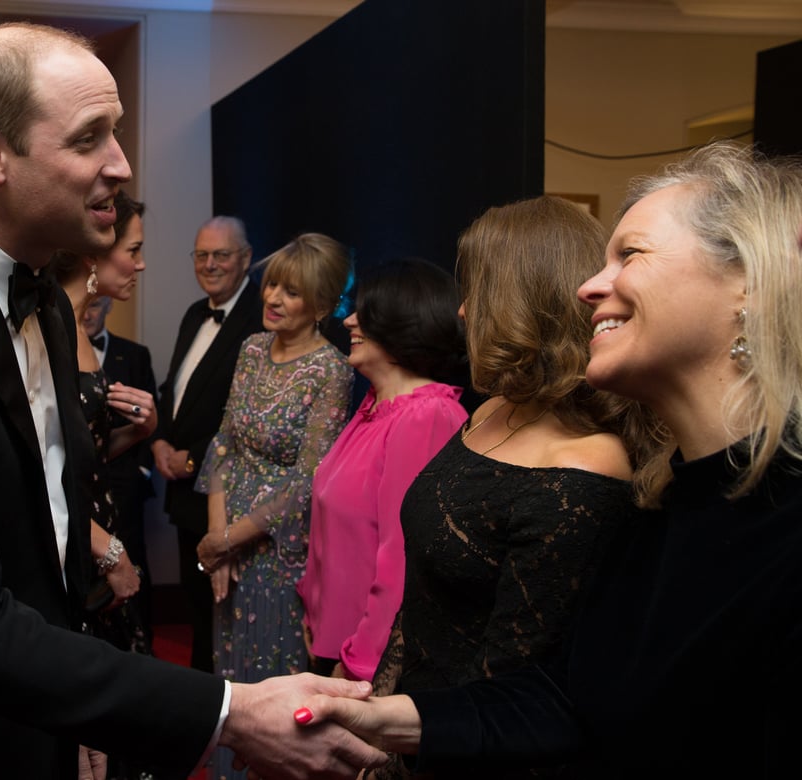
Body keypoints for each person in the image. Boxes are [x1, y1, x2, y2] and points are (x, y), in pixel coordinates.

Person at [0, 22, 386, 780]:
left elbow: (44, 514)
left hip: (41, 722)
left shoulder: (42, 298)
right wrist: (229, 712)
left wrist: (84, 718)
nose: (123, 164)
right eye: (90, 138)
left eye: (118, 134)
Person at [297, 142, 802, 778]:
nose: (591, 286)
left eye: (631, 255)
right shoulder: (664, 504)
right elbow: (564, 698)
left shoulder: (774, 532)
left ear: (749, 283)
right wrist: (382, 720)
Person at [358, 196, 657, 780]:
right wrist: (379, 730)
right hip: (414, 729)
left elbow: (513, 691)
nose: (465, 310)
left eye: (478, 289)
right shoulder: (493, 408)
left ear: (527, 299)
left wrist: (398, 740)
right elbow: (423, 604)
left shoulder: (584, 471)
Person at [195, 231, 355, 780]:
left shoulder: (333, 370)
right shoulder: (251, 350)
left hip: (278, 550)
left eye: (291, 291)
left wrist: (233, 538)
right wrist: (216, 537)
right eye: (273, 286)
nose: (274, 298)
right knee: (229, 683)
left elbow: (310, 478)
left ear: (322, 304)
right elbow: (223, 442)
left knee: (272, 680)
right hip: (228, 545)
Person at [296, 256, 470, 682]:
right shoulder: (376, 406)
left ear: (401, 320)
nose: (349, 321)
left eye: (365, 312)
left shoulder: (426, 416)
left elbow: (403, 559)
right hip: (331, 644)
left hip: (366, 665)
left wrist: (360, 663)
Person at [150, 215, 264, 673]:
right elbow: (172, 390)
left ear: (247, 259)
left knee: (228, 625)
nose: (210, 264)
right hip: (183, 496)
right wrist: (157, 439)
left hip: (229, 501)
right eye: (202, 255)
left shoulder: (260, 319)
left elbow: (247, 415)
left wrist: (194, 457)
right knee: (197, 615)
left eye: (222, 255)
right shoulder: (195, 313)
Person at [50, 190, 156, 660]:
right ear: (94, 252)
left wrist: (136, 432)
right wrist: (109, 552)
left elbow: (79, 454)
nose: (141, 264)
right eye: (133, 251)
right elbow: (39, 465)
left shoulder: (77, 328)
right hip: (76, 544)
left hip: (98, 534)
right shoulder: (46, 325)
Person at [84, 294, 159, 650]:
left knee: (135, 577)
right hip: (81, 492)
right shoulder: (53, 351)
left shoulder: (134, 354)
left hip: (124, 489)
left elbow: (152, 414)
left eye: (97, 305)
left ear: (110, 306)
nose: (89, 312)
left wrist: (142, 469)